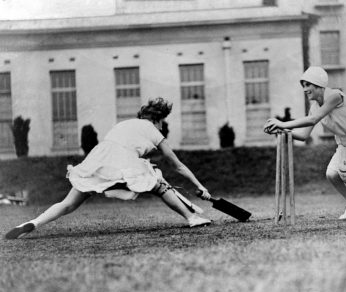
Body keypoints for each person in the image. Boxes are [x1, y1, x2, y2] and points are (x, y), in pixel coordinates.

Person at [5, 97, 212, 239]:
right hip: (121, 160)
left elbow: (122, 148)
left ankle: (34, 223)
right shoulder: (153, 130)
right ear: (157, 118)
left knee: (68, 204)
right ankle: (192, 218)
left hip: (99, 158)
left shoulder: (124, 124)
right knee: (159, 186)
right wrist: (200, 186)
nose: (161, 126)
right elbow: (178, 166)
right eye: (162, 122)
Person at [264, 66, 346, 221]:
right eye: (303, 85)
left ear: (319, 85)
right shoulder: (315, 107)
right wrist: (280, 131)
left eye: (308, 85)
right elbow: (303, 135)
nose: (305, 89)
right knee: (332, 174)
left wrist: (282, 123)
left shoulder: (335, 96)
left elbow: (313, 119)